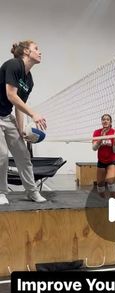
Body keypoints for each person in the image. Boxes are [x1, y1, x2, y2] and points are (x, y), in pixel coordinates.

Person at [0, 40, 47, 205]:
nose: (40, 52)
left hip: (6, 116)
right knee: (2, 156)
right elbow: (11, 95)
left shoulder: (29, 81)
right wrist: (34, 114)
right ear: (26, 51)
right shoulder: (14, 65)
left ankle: (31, 191)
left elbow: (18, 105)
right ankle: (1, 193)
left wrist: (21, 130)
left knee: (23, 155)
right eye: (36, 48)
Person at [92, 114, 115, 198]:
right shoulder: (97, 132)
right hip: (101, 160)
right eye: (103, 119)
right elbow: (94, 148)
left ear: (110, 122)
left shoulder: (114, 132)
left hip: (112, 160)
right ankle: (103, 202)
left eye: (107, 119)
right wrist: (101, 138)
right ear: (101, 121)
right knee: (100, 185)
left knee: (109, 180)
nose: (105, 121)